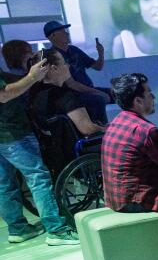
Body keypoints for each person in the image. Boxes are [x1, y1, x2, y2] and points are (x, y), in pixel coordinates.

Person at [0, 55, 79, 245]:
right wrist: (32, 77)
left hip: (5, 135)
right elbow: (3, 95)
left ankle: (18, 229)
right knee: (38, 179)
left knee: (5, 185)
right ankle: (57, 230)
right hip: (13, 134)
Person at [101, 73, 158, 214]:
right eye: (149, 93)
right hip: (137, 202)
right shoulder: (147, 131)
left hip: (115, 199)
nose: (153, 97)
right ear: (138, 101)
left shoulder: (116, 122)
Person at [27, 48, 106, 177]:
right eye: (64, 62)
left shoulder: (35, 93)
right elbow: (88, 129)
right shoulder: (65, 97)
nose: (68, 66)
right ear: (54, 68)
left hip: (54, 151)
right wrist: (107, 129)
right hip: (75, 151)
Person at [43, 20, 112, 123]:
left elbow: (97, 67)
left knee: (116, 93)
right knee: (98, 99)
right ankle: (101, 129)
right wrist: (98, 93)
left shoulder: (74, 50)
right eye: (62, 31)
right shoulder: (53, 56)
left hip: (88, 89)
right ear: (53, 36)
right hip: (72, 95)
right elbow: (72, 85)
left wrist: (101, 53)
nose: (67, 33)